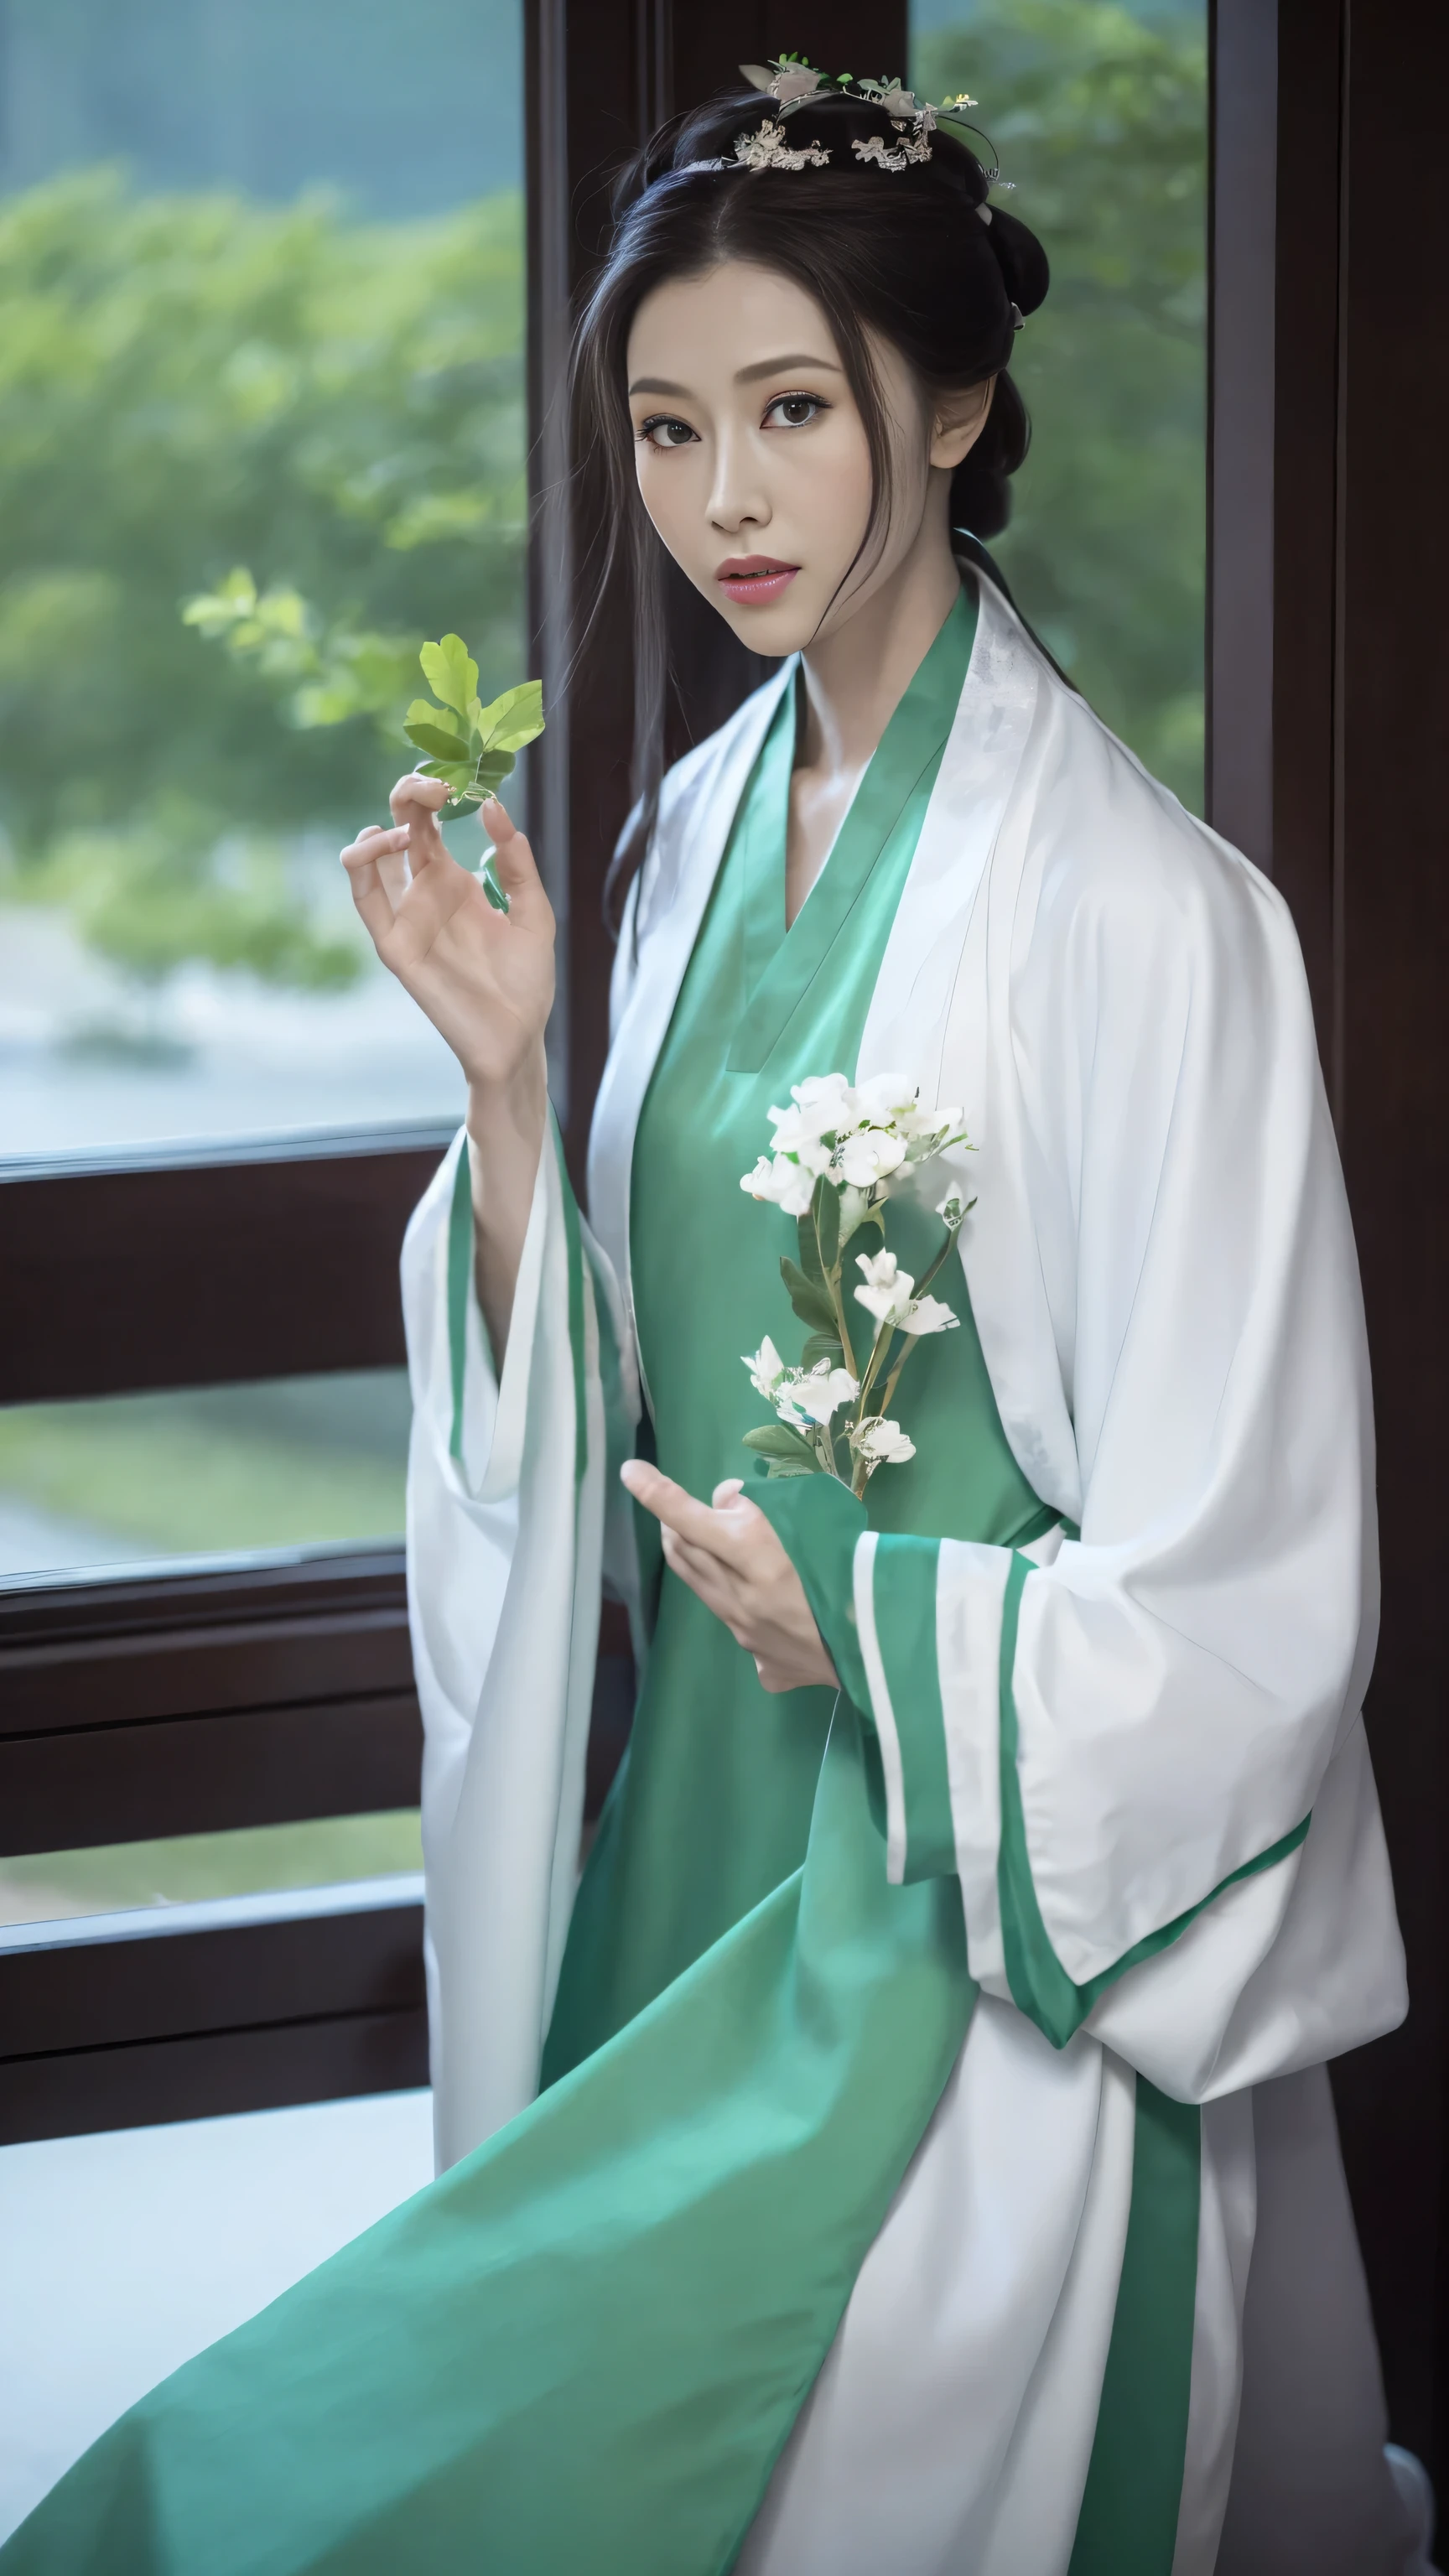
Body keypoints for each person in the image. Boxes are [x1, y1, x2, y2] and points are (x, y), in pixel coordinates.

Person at [3, 60, 1431, 2576]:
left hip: (944, 1909)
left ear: (959, 407)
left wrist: (874, 1625)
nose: (723, 500)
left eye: (792, 410)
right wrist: (515, 1084)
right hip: (687, 1842)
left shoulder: (1151, 919)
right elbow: (614, 1371)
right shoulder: (672, 836)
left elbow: (1257, 1580)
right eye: (670, 429)